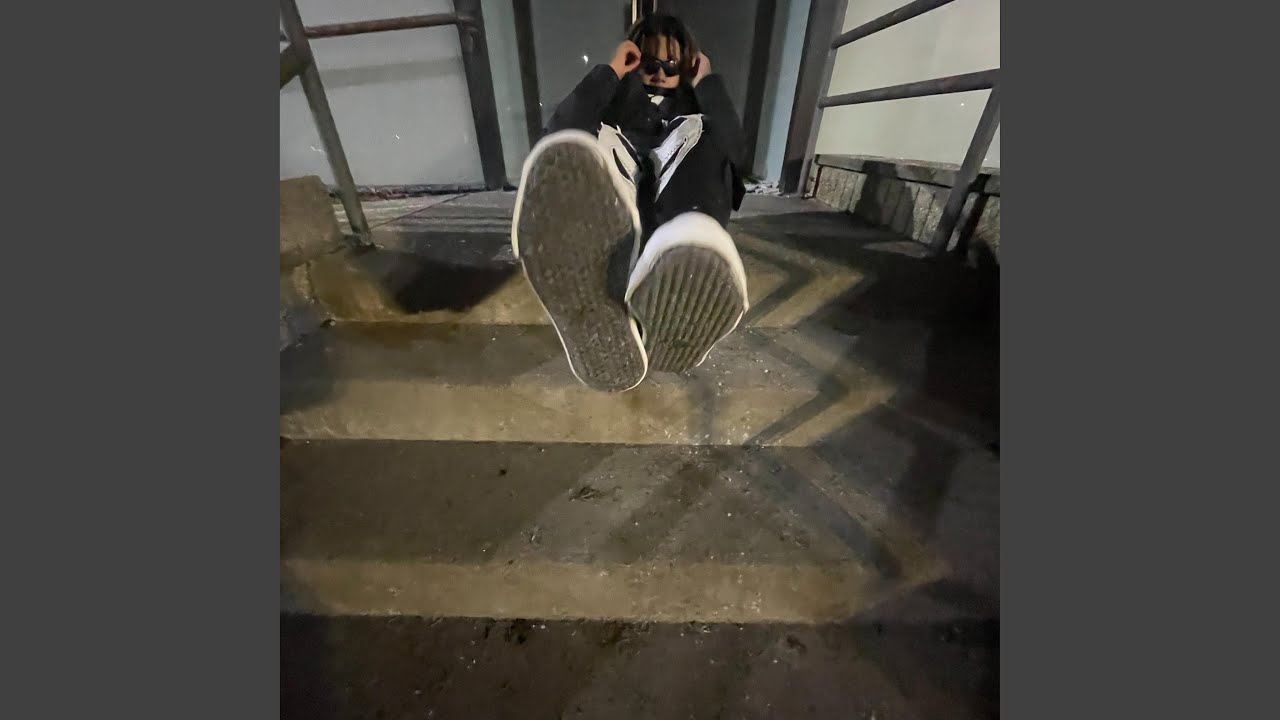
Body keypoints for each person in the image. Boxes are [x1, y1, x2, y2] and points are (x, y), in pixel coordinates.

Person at [511, 12, 749, 392]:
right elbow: (557, 137)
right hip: (623, 216)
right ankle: (597, 267)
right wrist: (610, 73)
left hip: (675, 210)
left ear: (687, 64)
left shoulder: (696, 113)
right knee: (589, 144)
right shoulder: (614, 106)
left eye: (671, 63)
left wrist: (707, 82)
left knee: (703, 134)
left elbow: (738, 155)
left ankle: (686, 249)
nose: (659, 73)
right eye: (649, 63)